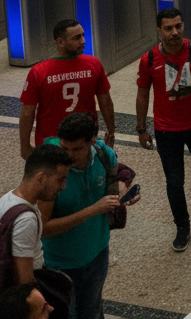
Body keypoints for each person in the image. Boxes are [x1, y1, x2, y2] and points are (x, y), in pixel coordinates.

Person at [136, 7, 191, 252]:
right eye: (169, 28)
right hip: (167, 130)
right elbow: (142, 95)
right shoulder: (149, 60)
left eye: (178, 26)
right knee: (174, 182)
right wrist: (141, 128)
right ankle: (182, 226)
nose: (175, 32)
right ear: (159, 31)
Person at [40, 113, 139, 319]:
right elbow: (44, 227)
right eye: (65, 148)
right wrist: (92, 209)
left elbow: (110, 194)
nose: (69, 155)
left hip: (97, 253)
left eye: (77, 149)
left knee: (92, 312)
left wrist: (121, 194)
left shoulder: (105, 155)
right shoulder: (50, 167)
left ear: (92, 142)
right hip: (60, 265)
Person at [19, 19, 115, 161]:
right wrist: (111, 130)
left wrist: (25, 146)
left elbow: (105, 101)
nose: (83, 41)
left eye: (82, 35)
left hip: (71, 141)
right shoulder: (93, 64)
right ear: (60, 42)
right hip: (63, 144)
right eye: (76, 38)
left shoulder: (39, 71)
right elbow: (27, 113)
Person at [0, 144, 72, 314]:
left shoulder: (8, 199)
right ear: (40, 178)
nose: (63, 186)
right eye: (60, 180)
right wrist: (44, 309)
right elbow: (25, 280)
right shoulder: (26, 219)